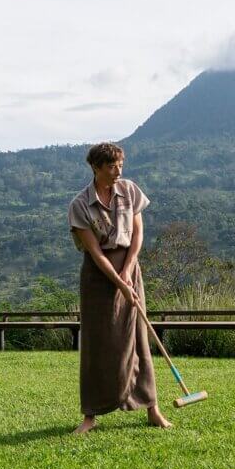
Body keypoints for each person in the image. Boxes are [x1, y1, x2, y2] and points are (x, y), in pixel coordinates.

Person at [67, 142, 171, 434]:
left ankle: (152, 408)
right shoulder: (79, 205)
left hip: (129, 266)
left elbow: (138, 235)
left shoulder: (130, 191)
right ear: (95, 168)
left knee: (138, 338)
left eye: (120, 165)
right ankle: (90, 415)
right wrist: (118, 281)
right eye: (111, 166)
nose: (117, 171)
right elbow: (95, 253)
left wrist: (127, 273)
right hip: (99, 278)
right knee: (98, 344)